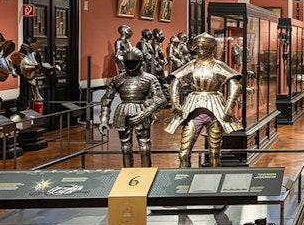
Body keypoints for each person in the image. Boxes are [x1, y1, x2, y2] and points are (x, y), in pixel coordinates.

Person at [165, 33, 242, 167]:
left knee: (214, 153)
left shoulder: (218, 65)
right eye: (199, 47)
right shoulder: (191, 65)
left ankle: (214, 183)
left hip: (215, 107)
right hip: (193, 106)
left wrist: (229, 106)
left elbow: (235, 84)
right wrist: (175, 103)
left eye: (204, 47)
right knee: (183, 153)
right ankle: (184, 183)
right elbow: (175, 82)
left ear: (211, 47)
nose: (200, 50)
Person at [100, 48, 166, 167]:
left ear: (140, 62)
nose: (131, 65)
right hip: (123, 112)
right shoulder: (117, 79)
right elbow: (106, 100)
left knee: (145, 147)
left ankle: (146, 175)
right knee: (125, 148)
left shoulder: (149, 79)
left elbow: (160, 99)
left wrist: (144, 114)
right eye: (128, 62)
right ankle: (127, 174)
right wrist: (104, 120)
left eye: (134, 62)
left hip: (142, 109)